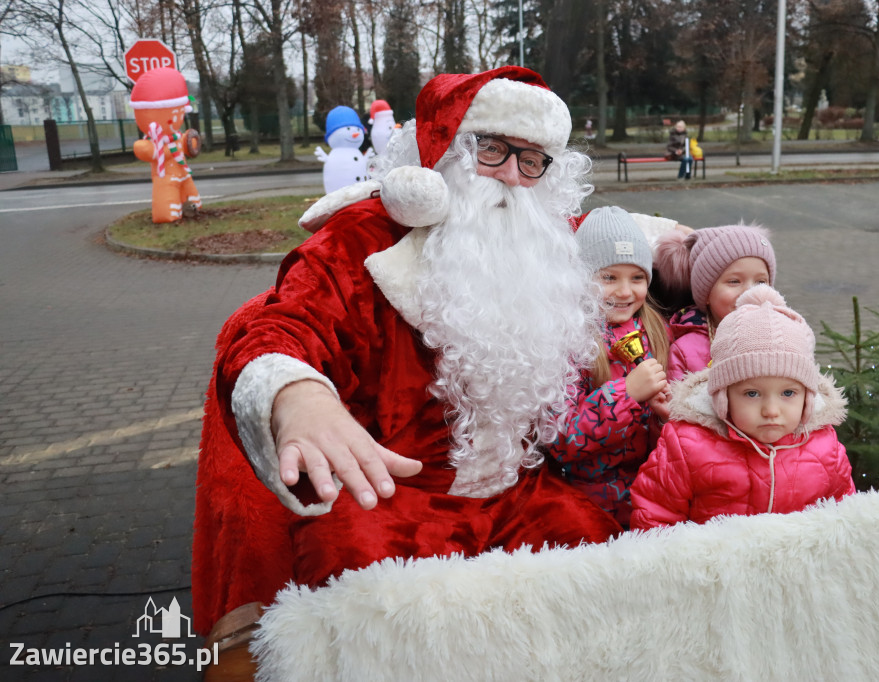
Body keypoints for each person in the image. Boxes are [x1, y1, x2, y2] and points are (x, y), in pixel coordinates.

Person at [192, 66, 683, 634]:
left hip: (519, 491)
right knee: (370, 606)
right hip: (394, 496)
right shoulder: (366, 238)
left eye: (532, 161)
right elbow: (285, 323)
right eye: (492, 150)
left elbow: (638, 238)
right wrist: (299, 396)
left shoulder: (543, 235)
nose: (511, 177)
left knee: (604, 572)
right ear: (444, 154)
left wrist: (716, 263)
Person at [630, 285, 855, 529]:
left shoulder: (825, 447)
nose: (771, 410)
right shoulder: (686, 447)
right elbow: (655, 517)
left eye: (788, 393)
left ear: (808, 397)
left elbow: (845, 518)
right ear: (723, 396)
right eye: (752, 393)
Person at [546, 206, 670, 527]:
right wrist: (626, 394)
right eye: (609, 277)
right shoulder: (567, 344)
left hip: (652, 489)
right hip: (591, 497)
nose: (625, 291)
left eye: (637, 277)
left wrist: (663, 417)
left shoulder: (656, 331)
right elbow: (562, 439)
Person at [653, 223, 776, 379]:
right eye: (734, 281)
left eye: (761, 282)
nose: (750, 291)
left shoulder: (782, 335)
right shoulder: (685, 350)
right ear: (706, 293)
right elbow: (676, 394)